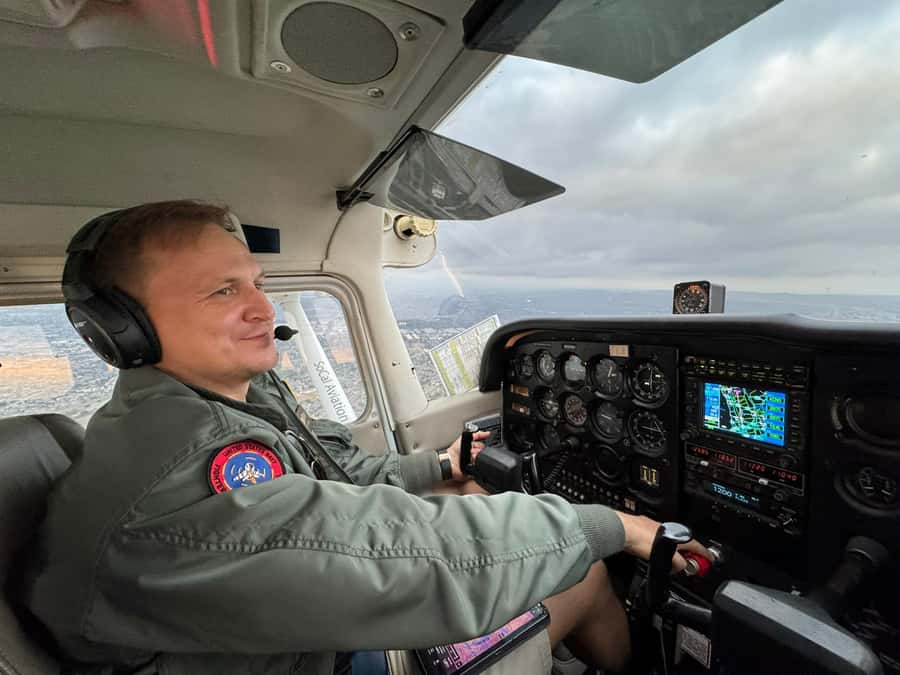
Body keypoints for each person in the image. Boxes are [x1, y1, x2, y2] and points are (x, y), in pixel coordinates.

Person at [26, 201, 710, 675]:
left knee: (468, 486)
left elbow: (335, 476)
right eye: (220, 292)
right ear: (123, 330)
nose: (263, 308)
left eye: (258, 283)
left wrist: (436, 465)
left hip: (267, 645)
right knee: (583, 569)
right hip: (325, 660)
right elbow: (411, 559)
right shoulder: (184, 471)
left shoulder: (223, 405)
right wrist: (613, 525)